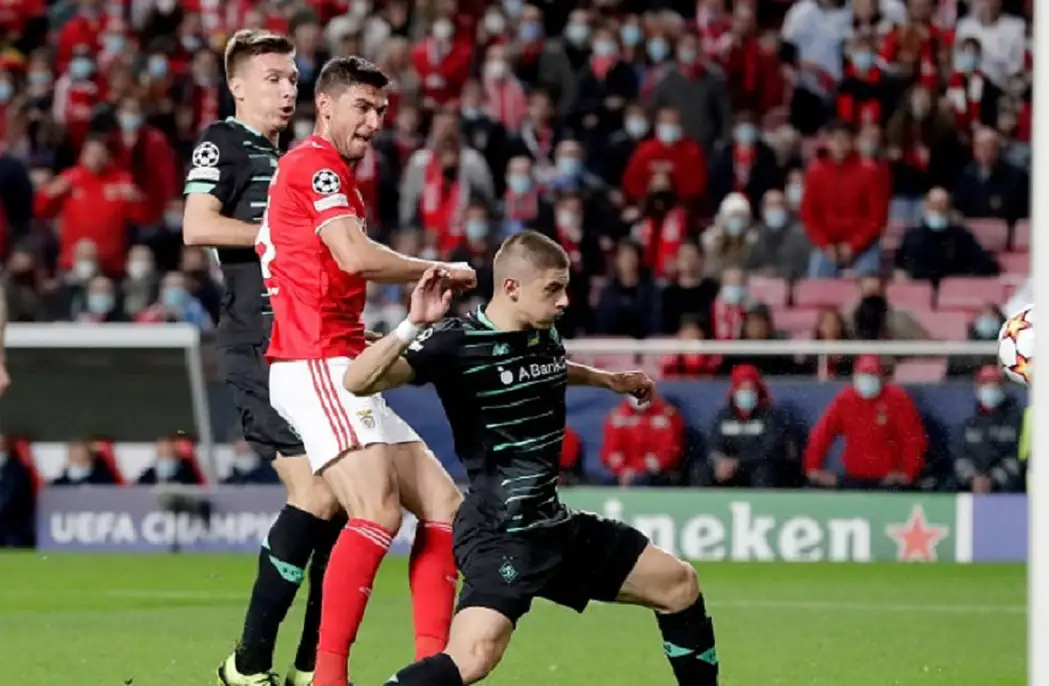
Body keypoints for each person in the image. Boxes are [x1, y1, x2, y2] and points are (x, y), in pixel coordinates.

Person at [340, 231, 720, 686]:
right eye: (553, 289)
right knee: (474, 657)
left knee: (678, 584)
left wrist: (607, 380)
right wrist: (411, 326)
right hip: (500, 530)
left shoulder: (542, 332)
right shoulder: (454, 343)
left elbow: (548, 368)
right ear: (512, 288)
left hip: (552, 524)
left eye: (565, 288)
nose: (564, 301)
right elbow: (357, 381)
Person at [258, 56, 475, 686]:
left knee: (445, 507)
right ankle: (328, 678)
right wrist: (438, 269)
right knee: (376, 512)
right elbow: (353, 256)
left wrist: (368, 338)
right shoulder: (315, 165)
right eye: (363, 107)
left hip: (340, 354)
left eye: (381, 110)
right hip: (313, 361)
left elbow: (321, 271)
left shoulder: (332, 175)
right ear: (324, 105)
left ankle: (433, 669)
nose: (375, 122)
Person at [180, 30, 332, 686]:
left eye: (293, 78)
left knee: (347, 503)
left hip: (305, 346)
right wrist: (280, 236)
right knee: (317, 494)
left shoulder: (291, 157)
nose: (288, 89)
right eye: (273, 78)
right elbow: (197, 225)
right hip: (257, 345)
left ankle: (312, 667)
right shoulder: (223, 141)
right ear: (238, 86)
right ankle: (249, 665)